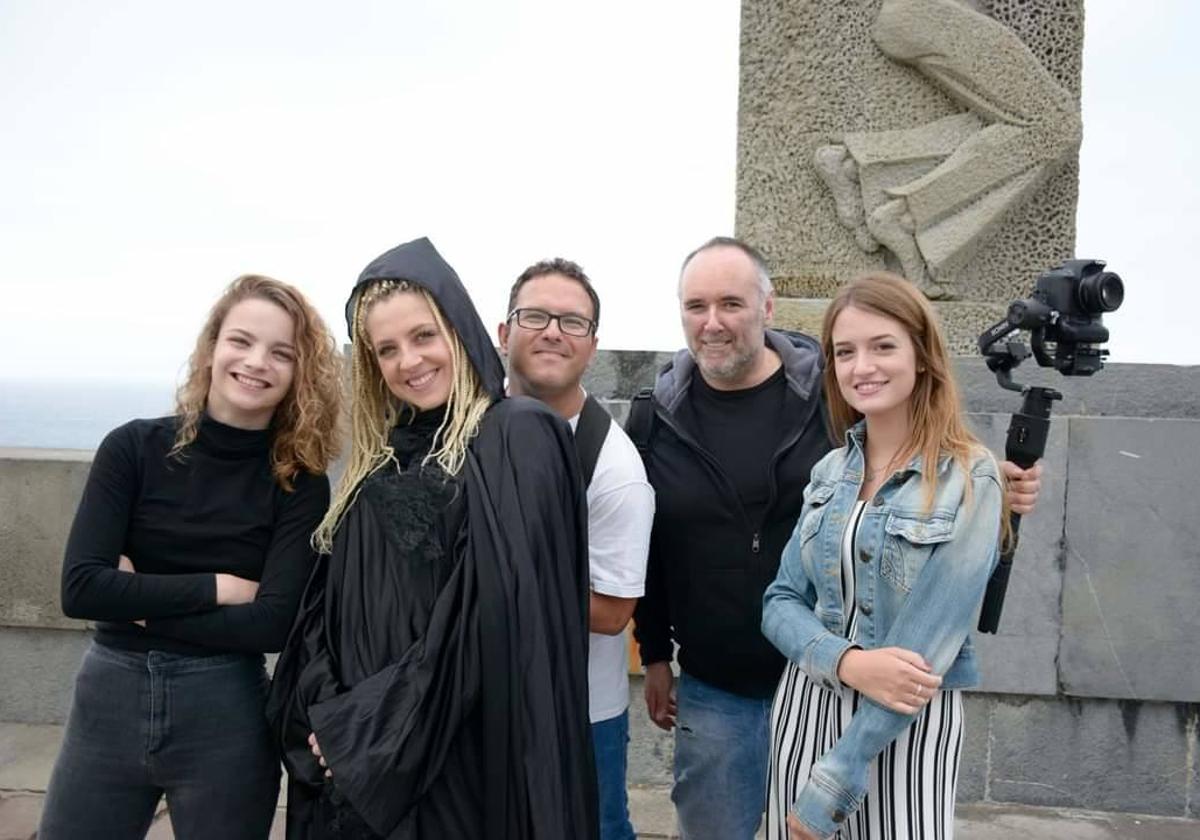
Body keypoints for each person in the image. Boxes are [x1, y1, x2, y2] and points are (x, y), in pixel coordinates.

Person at [629, 237, 1042, 840]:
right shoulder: (817, 465)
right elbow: (748, 586)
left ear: (767, 308)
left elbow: (927, 641)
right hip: (761, 689)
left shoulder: (846, 416)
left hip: (890, 725)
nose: (861, 366)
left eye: (731, 303)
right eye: (845, 352)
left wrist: (982, 485)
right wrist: (658, 651)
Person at [266, 237, 598, 840]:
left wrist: (366, 731)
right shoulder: (379, 459)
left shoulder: (517, 436)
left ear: (460, 331)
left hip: (453, 762)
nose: (408, 362)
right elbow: (324, 607)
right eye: (385, 349)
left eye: (423, 336)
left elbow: (490, 619)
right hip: (351, 757)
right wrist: (323, 710)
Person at [39, 275, 342, 840]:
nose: (257, 362)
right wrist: (220, 587)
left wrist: (140, 601)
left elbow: (274, 623)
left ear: (301, 374)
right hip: (109, 699)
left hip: (225, 710)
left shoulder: (301, 484)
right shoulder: (131, 448)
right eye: (242, 341)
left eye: (282, 353)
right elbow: (82, 588)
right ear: (211, 348)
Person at [762, 271, 1007, 840]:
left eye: (882, 346)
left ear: (921, 356)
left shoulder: (970, 478)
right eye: (844, 352)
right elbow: (778, 601)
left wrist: (832, 786)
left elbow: (923, 654)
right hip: (806, 706)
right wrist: (848, 662)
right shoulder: (829, 472)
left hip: (904, 728)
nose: (861, 366)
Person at [499, 258, 655, 840]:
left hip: (578, 714)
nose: (552, 331)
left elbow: (614, 614)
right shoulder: (469, 429)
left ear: (592, 347)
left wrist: (501, 577)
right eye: (535, 315)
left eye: (572, 322)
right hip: (480, 698)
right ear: (502, 333)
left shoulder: (614, 468)